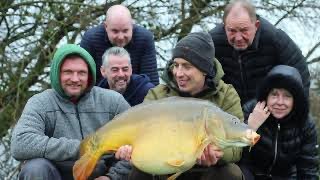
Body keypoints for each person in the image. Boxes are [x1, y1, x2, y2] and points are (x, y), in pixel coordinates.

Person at [127, 32, 245, 180]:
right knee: (139, 171)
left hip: (207, 169)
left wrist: (217, 153)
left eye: (186, 66)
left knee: (230, 173)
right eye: (176, 65)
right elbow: (140, 134)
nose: (178, 73)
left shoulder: (226, 95)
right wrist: (130, 149)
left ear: (204, 70)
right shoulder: (157, 95)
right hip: (167, 166)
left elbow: (237, 147)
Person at [10, 44, 133, 180]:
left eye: (81, 73)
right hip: (54, 174)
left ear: (90, 75)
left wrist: (112, 177)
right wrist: (83, 148)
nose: (75, 79)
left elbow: (136, 143)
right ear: (57, 73)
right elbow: (20, 143)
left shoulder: (113, 102)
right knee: (35, 168)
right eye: (68, 72)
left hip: (99, 174)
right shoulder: (40, 102)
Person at [209, 0, 310, 105]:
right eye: (232, 31)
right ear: (224, 26)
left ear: (256, 25)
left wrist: (299, 113)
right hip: (229, 109)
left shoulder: (275, 38)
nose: (238, 38)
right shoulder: (211, 42)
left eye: (244, 30)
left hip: (267, 108)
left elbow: (301, 74)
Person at [239, 65, 319, 179]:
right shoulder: (251, 111)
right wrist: (251, 128)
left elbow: (308, 168)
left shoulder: (305, 124)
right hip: (251, 175)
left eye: (287, 96)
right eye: (274, 94)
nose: (280, 102)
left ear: (295, 100)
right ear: (266, 96)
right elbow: (238, 158)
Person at [80, 4, 159, 86]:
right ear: (106, 26)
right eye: (115, 31)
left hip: (135, 93)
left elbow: (152, 80)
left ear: (132, 26)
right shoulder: (91, 39)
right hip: (99, 93)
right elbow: (83, 77)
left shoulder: (145, 39)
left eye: (125, 31)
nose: (121, 37)